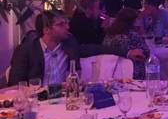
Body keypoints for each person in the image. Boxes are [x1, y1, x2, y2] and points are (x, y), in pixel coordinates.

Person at [8, 10, 145, 85]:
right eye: (61, 24)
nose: (67, 27)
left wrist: (127, 52)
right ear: (46, 30)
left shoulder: (69, 44)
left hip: (64, 101)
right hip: (37, 103)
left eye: (66, 23)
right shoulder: (25, 50)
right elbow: (15, 86)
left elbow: (96, 49)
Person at [103, 8, 150, 79]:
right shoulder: (131, 36)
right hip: (131, 73)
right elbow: (145, 52)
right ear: (132, 22)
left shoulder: (109, 34)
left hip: (111, 70)